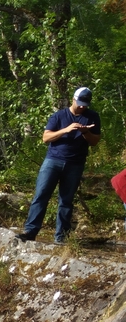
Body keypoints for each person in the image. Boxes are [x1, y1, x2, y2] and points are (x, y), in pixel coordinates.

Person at [16, 87, 101, 244]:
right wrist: (66, 130)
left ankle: (61, 237)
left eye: (85, 105)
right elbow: (46, 138)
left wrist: (85, 132)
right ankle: (30, 231)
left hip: (75, 163)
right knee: (41, 195)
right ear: (73, 99)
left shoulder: (92, 117)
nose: (82, 107)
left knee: (66, 200)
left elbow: (95, 141)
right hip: (53, 161)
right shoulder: (59, 116)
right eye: (80, 103)